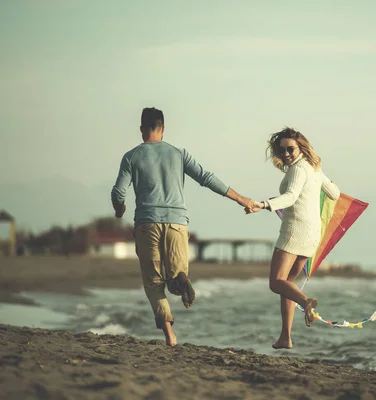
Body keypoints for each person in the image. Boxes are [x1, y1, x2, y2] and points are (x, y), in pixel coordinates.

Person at [111, 107, 255, 347]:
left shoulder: (132, 157)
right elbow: (206, 178)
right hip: (178, 224)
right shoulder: (179, 154)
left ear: (141, 130)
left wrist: (119, 210)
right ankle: (180, 278)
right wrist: (242, 199)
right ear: (163, 129)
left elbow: (118, 192)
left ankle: (170, 336)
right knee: (175, 275)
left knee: (154, 283)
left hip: (147, 223)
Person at [246, 127, 340, 349]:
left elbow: (290, 197)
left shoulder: (298, 170)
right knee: (287, 285)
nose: (286, 154)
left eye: (290, 149)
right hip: (312, 234)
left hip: (294, 231)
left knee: (276, 282)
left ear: (300, 147)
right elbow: (334, 193)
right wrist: (318, 182)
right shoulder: (314, 168)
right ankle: (285, 337)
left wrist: (264, 204)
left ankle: (306, 301)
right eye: (282, 150)